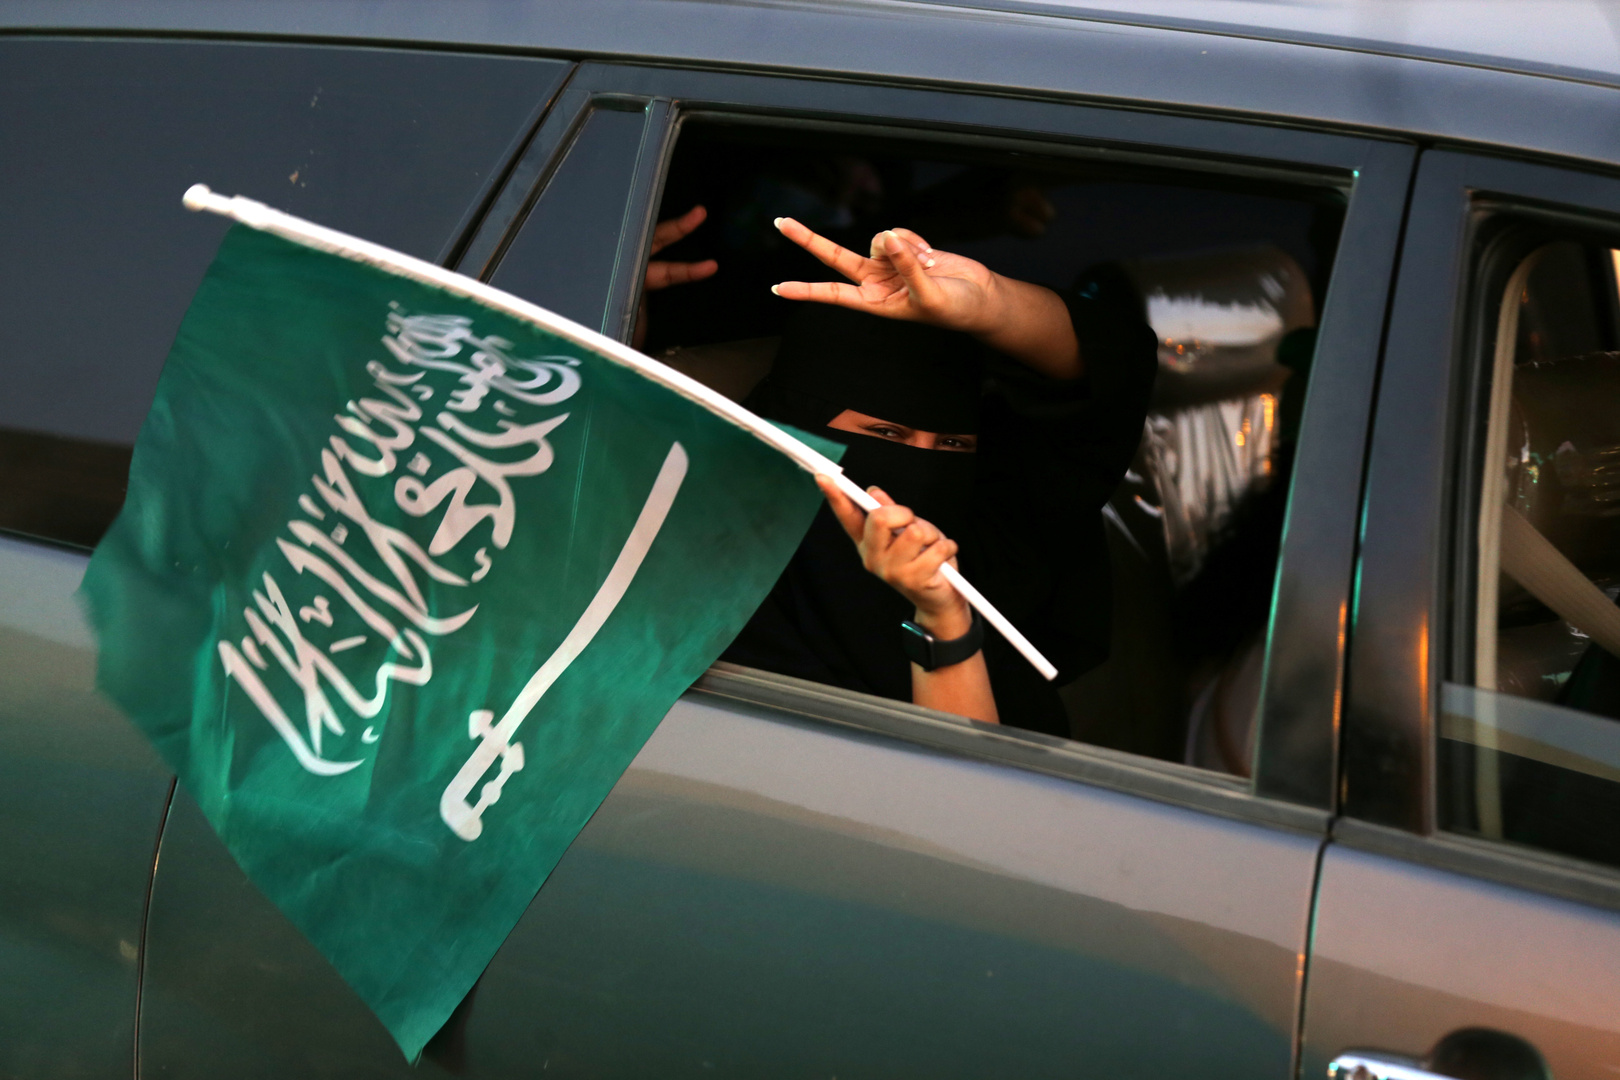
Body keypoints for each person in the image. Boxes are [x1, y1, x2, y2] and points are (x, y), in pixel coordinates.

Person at [719, 218, 1157, 735]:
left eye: (952, 445)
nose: (923, 471)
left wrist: (993, 303)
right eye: (886, 434)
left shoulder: (986, 546)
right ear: (796, 427)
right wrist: (941, 624)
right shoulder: (715, 587)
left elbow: (1116, 373)